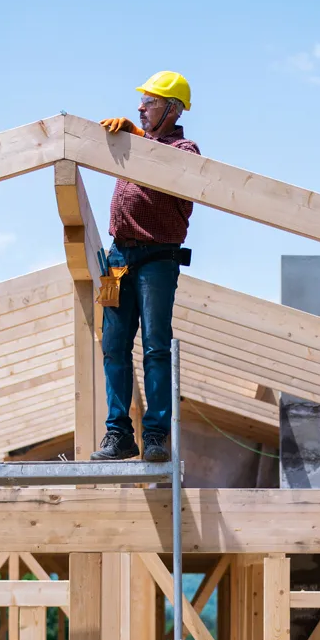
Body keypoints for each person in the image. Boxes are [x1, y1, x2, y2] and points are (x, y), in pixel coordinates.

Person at [90, 70, 201, 464]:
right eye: (142, 101)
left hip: (157, 258)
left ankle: (156, 435)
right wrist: (131, 140)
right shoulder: (137, 144)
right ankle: (119, 434)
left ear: (172, 110)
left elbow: (174, 167)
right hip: (119, 259)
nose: (140, 108)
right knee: (113, 345)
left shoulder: (184, 148)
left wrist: (137, 140)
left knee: (156, 346)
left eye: (150, 102)